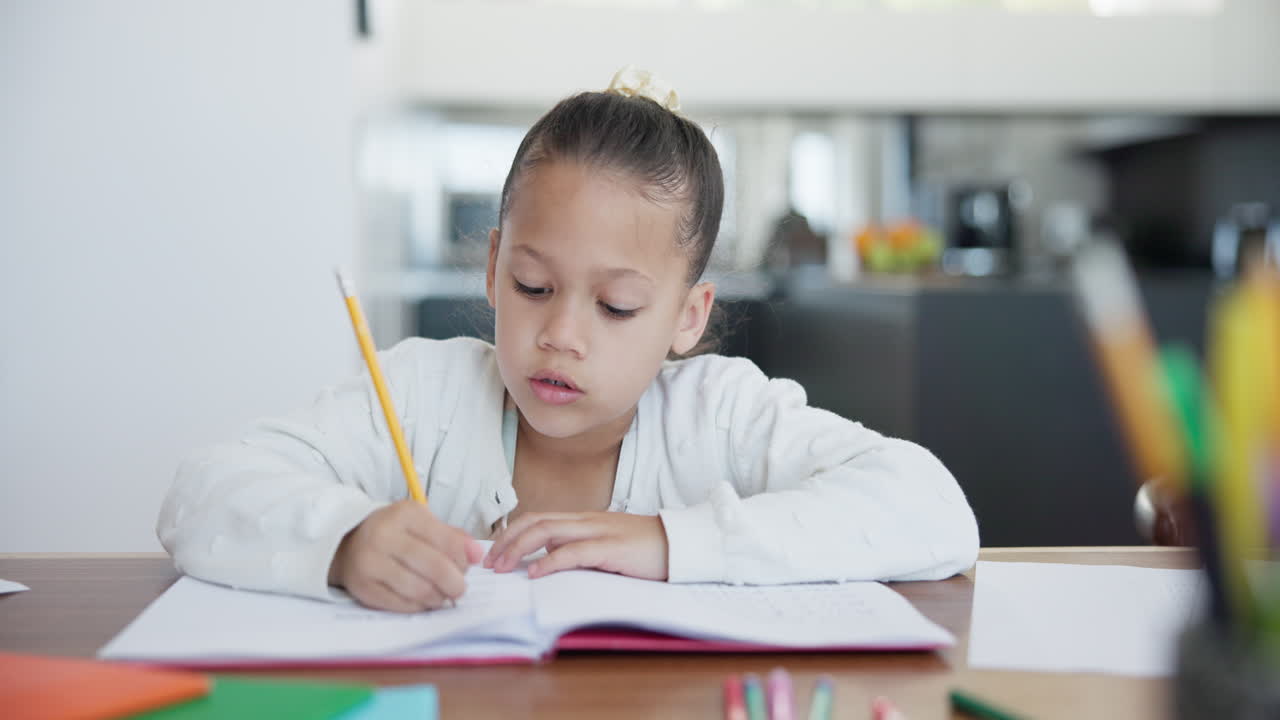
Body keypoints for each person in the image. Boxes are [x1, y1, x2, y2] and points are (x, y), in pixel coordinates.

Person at [158, 68, 979, 613]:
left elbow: (935, 509)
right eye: (533, 287)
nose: (559, 335)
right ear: (492, 266)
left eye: (617, 306)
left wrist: (667, 542)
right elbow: (202, 491)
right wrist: (342, 541)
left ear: (688, 317)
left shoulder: (719, 416)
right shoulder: (420, 396)